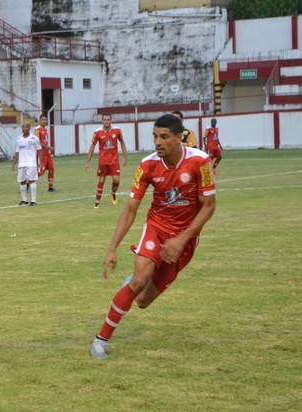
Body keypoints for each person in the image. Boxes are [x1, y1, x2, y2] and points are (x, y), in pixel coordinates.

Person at [89, 114, 216, 359]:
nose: (158, 142)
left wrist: (182, 239)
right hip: (156, 229)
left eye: (164, 137)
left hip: (185, 241)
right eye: (155, 136)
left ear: (180, 138)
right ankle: (100, 341)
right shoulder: (147, 165)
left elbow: (209, 206)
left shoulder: (201, 162)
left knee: (143, 300)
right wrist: (112, 248)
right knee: (139, 281)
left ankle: (132, 283)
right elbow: (130, 209)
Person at [85, 113, 128, 208]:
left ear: (111, 121)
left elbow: (122, 142)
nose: (106, 121)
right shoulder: (97, 132)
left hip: (114, 160)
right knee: (101, 180)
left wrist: (125, 157)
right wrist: (88, 161)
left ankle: (113, 193)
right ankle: (97, 202)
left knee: (116, 180)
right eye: (104, 120)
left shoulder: (117, 130)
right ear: (102, 121)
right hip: (103, 161)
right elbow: (92, 146)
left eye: (108, 119)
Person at [12, 122, 42, 206]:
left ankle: (33, 200)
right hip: (21, 164)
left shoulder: (34, 138)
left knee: (31, 181)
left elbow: (39, 150)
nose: (24, 128)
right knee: (22, 181)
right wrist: (14, 163)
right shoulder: (19, 139)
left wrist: (41, 163)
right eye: (23, 127)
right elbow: (17, 151)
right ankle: (24, 200)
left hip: (31, 163)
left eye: (26, 127)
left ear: (29, 128)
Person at [34, 114, 59, 192]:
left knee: (52, 169)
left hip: (47, 153)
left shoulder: (45, 130)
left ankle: (50, 187)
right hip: (41, 153)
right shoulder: (37, 130)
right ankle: (28, 183)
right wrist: (48, 147)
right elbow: (37, 142)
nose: (44, 121)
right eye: (42, 119)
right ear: (39, 120)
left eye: (45, 120)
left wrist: (48, 149)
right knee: (41, 172)